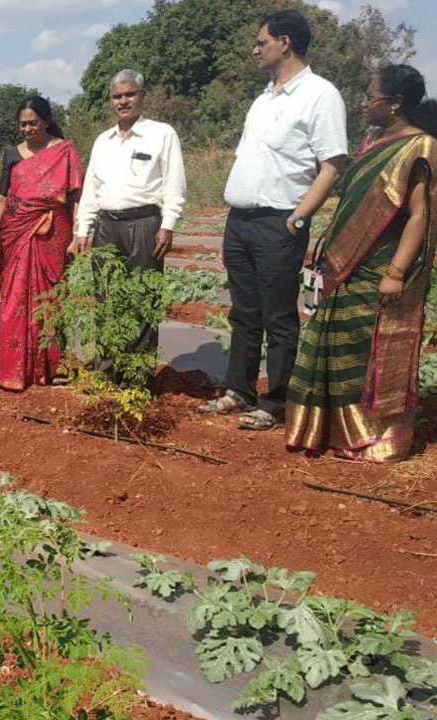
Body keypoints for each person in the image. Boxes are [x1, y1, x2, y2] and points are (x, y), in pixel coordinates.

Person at [202, 10, 347, 430]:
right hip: (241, 221)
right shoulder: (263, 99)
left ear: (285, 43)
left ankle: (276, 401)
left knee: (278, 315)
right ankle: (239, 390)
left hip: (279, 223)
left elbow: (333, 164)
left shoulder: (320, 95)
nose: (255, 49)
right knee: (244, 311)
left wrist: (299, 218)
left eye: (261, 41)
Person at [286, 64, 437, 463]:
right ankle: (330, 432)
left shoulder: (418, 147)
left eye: (370, 96)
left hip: (378, 269)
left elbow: (419, 216)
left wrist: (396, 273)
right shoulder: (370, 143)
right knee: (334, 348)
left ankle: (374, 438)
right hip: (341, 266)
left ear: (394, 103)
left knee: (363, 354)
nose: (363, 103)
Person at [73, 69, 186, 383]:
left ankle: (137, 377)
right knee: (107, 298)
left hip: (144, 224)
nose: (123, 101)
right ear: (111, 101)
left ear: (142, 97)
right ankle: (107, 370)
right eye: (117, 96)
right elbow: (91, 190)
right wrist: (83, 230)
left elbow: (174, 185)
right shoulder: (103, 141)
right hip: (107, 227)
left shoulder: (162, 134)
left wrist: (168, 224)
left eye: (129, 94)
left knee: (142, 300)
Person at [0, 97, 84, 390]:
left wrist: (78, 232)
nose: (27, 129)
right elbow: (2, 197)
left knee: (51, 298)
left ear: (46, 121)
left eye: (33, 123)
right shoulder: (11, 155)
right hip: (15, 233)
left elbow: (76, 195)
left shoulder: (64, 151)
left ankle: (52, 367)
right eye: (22, 124)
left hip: (53, 234)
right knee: (14, 298)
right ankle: (13, 368)